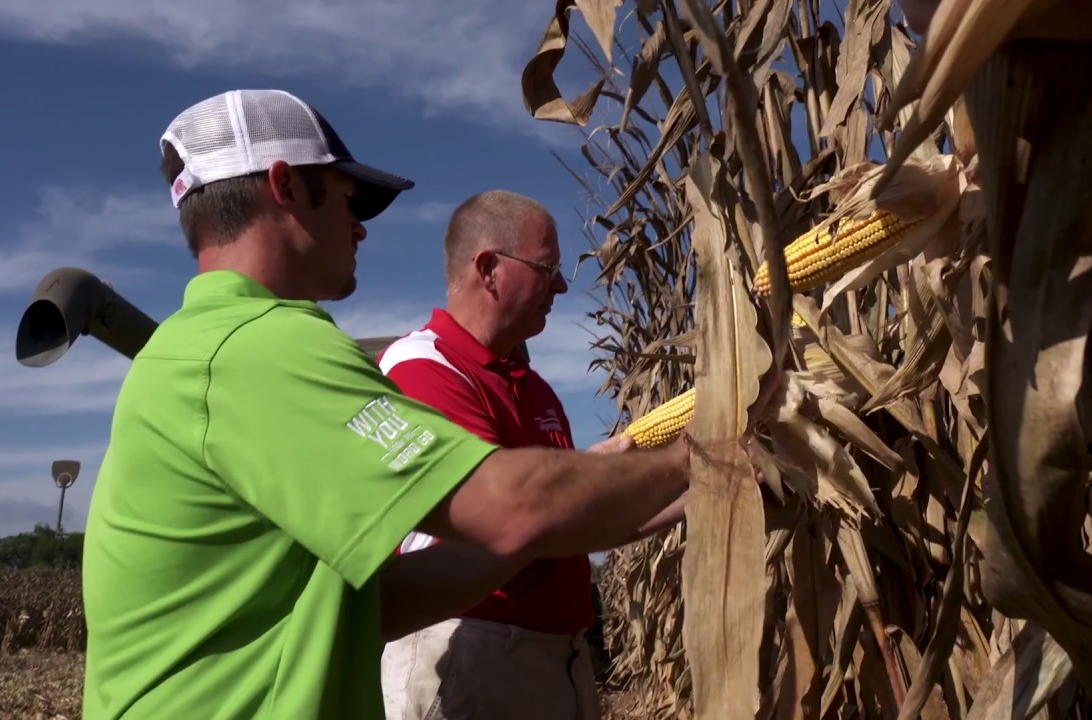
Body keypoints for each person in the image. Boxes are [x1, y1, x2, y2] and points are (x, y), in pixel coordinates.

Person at [78, 88, 726, 720]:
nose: (361, 227)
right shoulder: (257, 347)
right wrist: (709, 444)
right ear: (284, 187)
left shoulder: (199, 349)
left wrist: (599, 495)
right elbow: (511, 508)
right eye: (348, 198)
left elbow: (379, 602)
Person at [376, 191, 686, 720]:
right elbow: (517, 521)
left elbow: (585, 526)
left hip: (555, 658)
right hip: (472, 653)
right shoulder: (421, 369)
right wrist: (681, 460)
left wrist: (712, 481)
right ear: (489, 269)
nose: (563, 285)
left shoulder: (536, 390)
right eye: (548, 268)